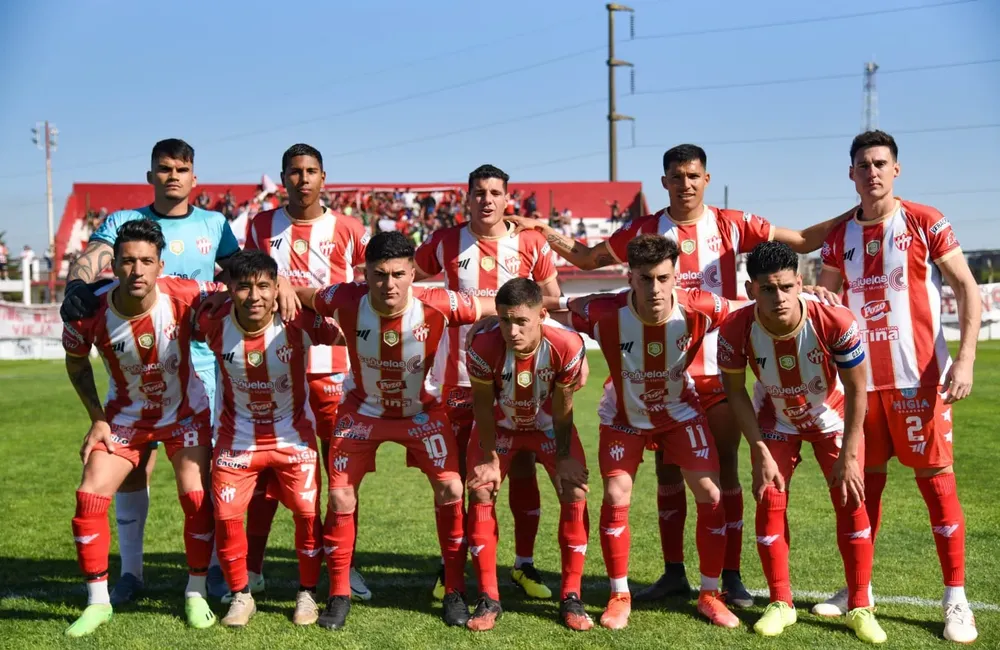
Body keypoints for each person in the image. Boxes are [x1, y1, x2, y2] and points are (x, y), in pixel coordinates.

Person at [507, 143, 847, 606]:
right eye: (676, 176)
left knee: (724, 472)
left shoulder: (732, 224)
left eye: (693, 176)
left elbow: (804, 240)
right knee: (668, 472)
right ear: (663, 181)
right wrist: (546, 232)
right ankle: (673, 572)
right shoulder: (645, 231)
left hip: (717, 369)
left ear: (706, 179)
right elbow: (586, 260)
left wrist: (863, 210)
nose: (685, 184)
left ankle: (729, 576)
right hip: (663, 376)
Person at [59, 138, 296, 602]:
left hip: (204, 366)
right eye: (163, 168)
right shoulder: (125, 224)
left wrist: (280, 279)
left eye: (181, 169)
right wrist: (75, 285)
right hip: (136, 365)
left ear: (194, 177)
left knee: (202, 477)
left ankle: (207, 570)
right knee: (132, 467)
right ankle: (131, 573)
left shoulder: (214, 224)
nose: (172, 175)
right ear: (150, 176)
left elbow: (241, 272)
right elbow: (92, 260)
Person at [292, 231, 506, 630]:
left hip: (420, 413)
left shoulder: (438, 302)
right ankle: (338, 593)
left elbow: (496, 305)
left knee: (453, 489)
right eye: (378, 274)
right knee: (339, 495)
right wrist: (286, 290)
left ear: (413, 274)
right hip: (362, 412)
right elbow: (307, 295)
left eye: (398, 274)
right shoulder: (343, 299)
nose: (388, 284)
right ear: (365, 273)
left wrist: (539, 311)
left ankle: (454, 589)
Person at [815, 130, 980, 643]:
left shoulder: (925, 221)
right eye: (863, 165)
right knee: (864, 487)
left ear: (897, 169)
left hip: (919, 380)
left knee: (936, 483)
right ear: (851, 174)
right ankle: (857, 588)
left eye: (881, 163)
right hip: (861, 385)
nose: (873, 172)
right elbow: (828, 299)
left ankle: (956, 599)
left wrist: (967, 358)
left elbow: (965, 287)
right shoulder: (839, 237)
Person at [549, 233, 742, 630]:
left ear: (676, 276)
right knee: (617, 493)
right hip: (624, 417)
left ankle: (710, 593)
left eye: (662, 278)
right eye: (644, 279)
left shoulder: (700, 307)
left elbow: (750, 308)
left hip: (679, 413)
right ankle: (620, 595)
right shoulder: (602, 310)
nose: (654, 288)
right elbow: (551, 307)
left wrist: (807, 295)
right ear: (630, 277)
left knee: (710, 492)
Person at [718, 241, 886, 643]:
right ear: (750, 289)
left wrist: (849, 453)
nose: (779, 297)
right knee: (770, 497)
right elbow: (736, 391)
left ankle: (860, 605)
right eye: (768, 289)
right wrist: (758, 451)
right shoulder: (736, 328)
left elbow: (858, 388)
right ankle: (781, 603)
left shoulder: (834, 319)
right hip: (777, 418)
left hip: (832, 417)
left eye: (787, 287)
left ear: (801, 282)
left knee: (851, 496)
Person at [61, 219, 219, 636]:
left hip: (184, 413)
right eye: (128, 261)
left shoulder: (186, 294)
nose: (137, 270)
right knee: (89, 496)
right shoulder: (88, 310)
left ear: (160, 265)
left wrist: (284, 289)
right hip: (124, 418)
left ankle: (196, 591)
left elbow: (242, 294)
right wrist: (97, 418)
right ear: (113, 264)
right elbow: (76, 363)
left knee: (196, 494)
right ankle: (98, 603)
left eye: (147, 261)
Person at [414, 164, 562, 600]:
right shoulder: (445, 242)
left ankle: (523, 564)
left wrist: (501, 309)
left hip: (523, 380)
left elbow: (551, 296)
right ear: (467, 197)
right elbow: (408, 279)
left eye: (495, 192)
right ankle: (452, 563)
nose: (487, 200)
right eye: (479, 192)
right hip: (458, 377)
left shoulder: (531, 242)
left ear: (506, 198)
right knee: (460, 476)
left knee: (522, 469)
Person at [240, 143, 372, 602]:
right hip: (276, 360)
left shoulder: (349, 228)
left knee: (340, 472)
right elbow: (247, 276)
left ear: (324, 177)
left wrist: (303, 291)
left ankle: (343, 566)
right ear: (283, 177)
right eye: (294, 172)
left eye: (310, 171)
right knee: (268, 467)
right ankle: (252, 570)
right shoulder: (261, 225)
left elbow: (365, 286)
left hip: (333, 361)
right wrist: (277, 284)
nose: (302, 179)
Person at [195, 250, 336, 628]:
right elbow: (178, 299)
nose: (254, 296)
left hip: (293, 438)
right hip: (236, 439)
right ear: (230, 290)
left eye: (263, 287)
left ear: (277, 289)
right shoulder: (211, 321)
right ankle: (242, 595)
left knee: (307, 516)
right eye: (244, 287)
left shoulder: (298, 321)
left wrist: (296, 289)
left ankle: (307, 593)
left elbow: (343, 316)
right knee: (225, 517)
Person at [464, 278, 592, 631]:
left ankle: (572, 597)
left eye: (521, 321)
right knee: (480, 489)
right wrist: (489, 458)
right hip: (501, 427)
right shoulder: (482, 345)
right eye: (505, 320)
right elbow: (484, 408)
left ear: (542, 316)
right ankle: (488, 597)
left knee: (575, 489)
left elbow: (565, 409)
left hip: (548, 427)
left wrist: (564, 457)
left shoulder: (566, 344)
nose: (512, 330)